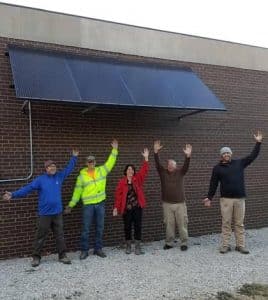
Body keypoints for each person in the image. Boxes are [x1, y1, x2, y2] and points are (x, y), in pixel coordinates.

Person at [2, 149, 79, 267]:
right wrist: (13, 194)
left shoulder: (59, 177)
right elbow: (27, 189)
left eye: (54, 166)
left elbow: (69, 169)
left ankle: (62, 256)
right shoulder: (40, 180)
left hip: (57, 213)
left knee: (60, 235)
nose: (53, 168)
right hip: (45, 214)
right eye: (50, 167)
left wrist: (74, 157)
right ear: (46, 169)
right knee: (40, 236)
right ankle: (36, 257)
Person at [203, 131, 263, 254]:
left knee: (239, 223)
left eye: (228, 152)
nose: (226, 154)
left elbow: (252, 156)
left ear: (231, 154)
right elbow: (213, 184)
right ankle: (225, 245)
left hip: (240, 199)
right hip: (226, 200)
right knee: (226, 223)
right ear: (221, 155)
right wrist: (209, 197)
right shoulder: (217, 168)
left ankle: (240, 245)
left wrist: (258, 143)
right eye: (224, 153)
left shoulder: (239, 163)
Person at [65, 139, 118, 260]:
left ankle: (98, 249)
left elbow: (111, 162)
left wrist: (114, 150)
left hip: (100, 204)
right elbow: (77, 192)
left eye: (93, 161)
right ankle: (84, 250)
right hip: (88, 205)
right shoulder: (81, 177)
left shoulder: (101, 170)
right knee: (86, 229)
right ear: (86, 163)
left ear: (95, 162)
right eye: (89, 161)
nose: (91, 163)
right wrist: (71, 205)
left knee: (100, 227)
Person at [154, 140, 192, 251]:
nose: (170, 166)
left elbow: (186, 166)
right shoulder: (163, 172)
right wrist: (155, 152)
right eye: (169, 164)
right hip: (167, 204)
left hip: (180, 203)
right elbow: (157, 164)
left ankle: (184, 242)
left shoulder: (180, 172)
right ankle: (169, 243)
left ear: (176, 166)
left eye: (172, 164)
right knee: (169, 225)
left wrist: (188, 156)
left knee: (182, 224)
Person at [113, 148, 149, 255]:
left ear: (134, 171)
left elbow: (144, 170)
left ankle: (138, 247)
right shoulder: (121, 182)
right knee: (127, 227)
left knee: (138, 226)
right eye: (128, 169)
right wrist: (116, 207)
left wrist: (146, 158)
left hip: (137, 207)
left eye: (132, 169)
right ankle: (128, 246)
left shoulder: (137, 179)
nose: (130, 171)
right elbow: (118, 196)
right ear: (126, 171)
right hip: (126, 209)